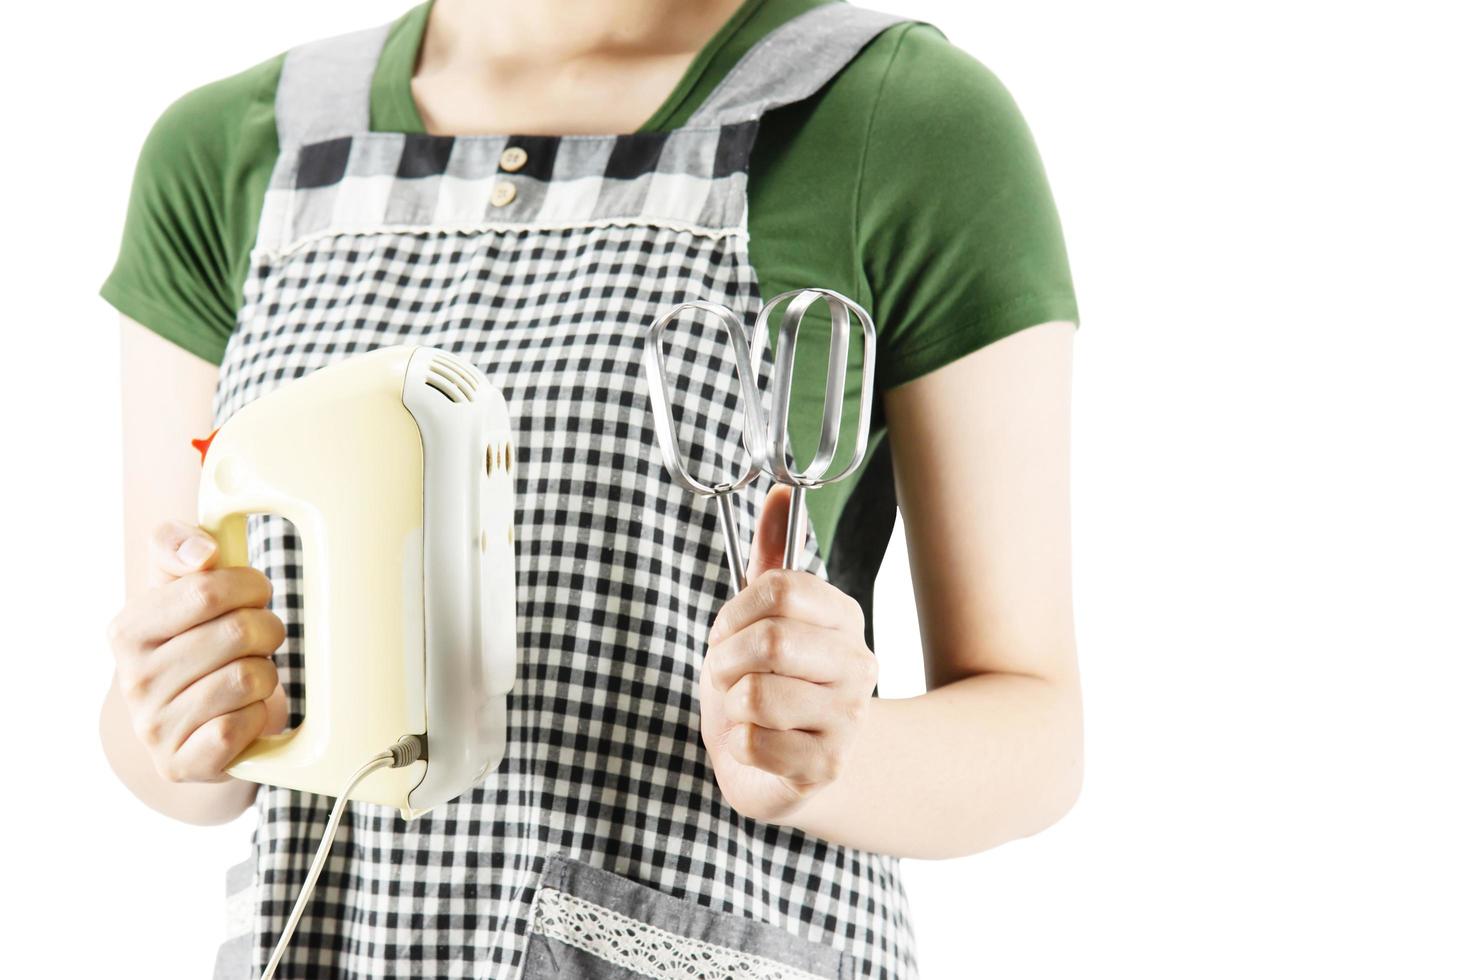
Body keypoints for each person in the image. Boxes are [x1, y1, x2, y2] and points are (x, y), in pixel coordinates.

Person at [99, 0, 1084, 976]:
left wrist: (827, 753)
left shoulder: (893, 117)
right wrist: (183, 711)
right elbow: (161, 732)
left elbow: (1035, 730)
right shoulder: (233, 155)